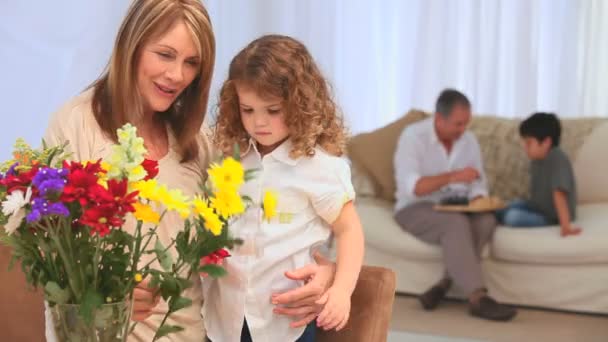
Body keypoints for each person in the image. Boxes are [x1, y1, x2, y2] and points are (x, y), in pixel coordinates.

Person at [42, 1, 335, 341]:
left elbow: (265, 224)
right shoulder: (76, 124)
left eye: (191, 62)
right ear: (131, 46)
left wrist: (326, 271)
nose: (177, 75)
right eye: (165, 55)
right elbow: (49, 247)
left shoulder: (201, 142)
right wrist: (100, 287)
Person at [205, 34, 365, 342]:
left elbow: (349, 231)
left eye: (273, 110)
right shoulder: (230, 158)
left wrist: (341, 291)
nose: (258, 122)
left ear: (300, 103)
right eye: (247, 110)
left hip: (284, 323)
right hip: (226, 317)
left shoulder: (321, 167)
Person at [393, 89, 516, 321]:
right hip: (416, 208)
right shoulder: (412, 137)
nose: (463, 130)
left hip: (458, 206)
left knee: (487, 220)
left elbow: (479, 182)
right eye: (458, 124)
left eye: (466, 124)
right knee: (455, 223)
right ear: (439, 119)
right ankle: (478, 298)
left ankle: (444, 284)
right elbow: (414, 188)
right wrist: (452, 176)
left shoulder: (468, 140)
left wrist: (479, 199)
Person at [497, 112, 581, 237]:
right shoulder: (536, 159)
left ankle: (502, 217)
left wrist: (565, 226)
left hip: (554, 216)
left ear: (546, 142)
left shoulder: (558, 158)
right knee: (509, 205)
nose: (525, 148)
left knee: (513, 217)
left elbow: (559, 193)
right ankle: (497, 215)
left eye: (529, 143)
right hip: (538, 207)